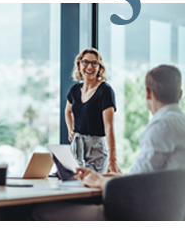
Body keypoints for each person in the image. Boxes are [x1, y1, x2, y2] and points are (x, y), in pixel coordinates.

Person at [32, 64, 185, 221]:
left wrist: (98, 180)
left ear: (147, 93)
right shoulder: (180, 123)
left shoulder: (162, 126)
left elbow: (135, 186)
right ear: (179, 94)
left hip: (138, 212)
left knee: (43, 211)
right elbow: (146, 176)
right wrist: (102, 176)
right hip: (169, 213)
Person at [65, 48, 121, 173]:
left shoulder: (105, 91)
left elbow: (109, 126)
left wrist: (113, 159)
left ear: (99, 67)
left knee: (93, 188)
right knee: (73, 187)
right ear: (79, 65)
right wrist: (70, 129)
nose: (89, 66)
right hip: (76, 146)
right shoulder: (74, 90)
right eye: (85, 62)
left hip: (96, 149)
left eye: (94, 63)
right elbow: (68, 111)